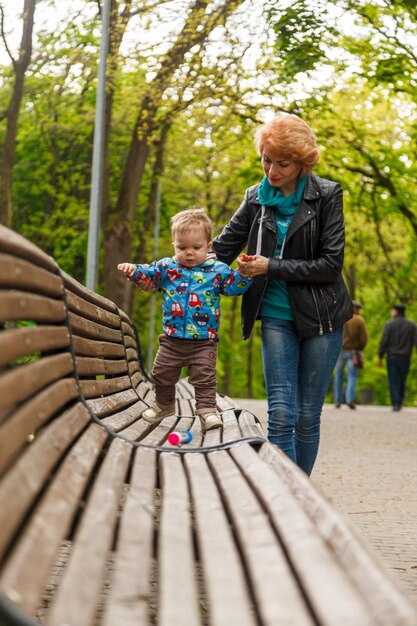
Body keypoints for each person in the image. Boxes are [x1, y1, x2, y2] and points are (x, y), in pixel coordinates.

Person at [212, 113, 353, 476]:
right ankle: (289, 498)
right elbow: (220, 248)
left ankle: (299, 493)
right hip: (275, 315)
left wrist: (269, 266)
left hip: (323, 317)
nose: (272, 171)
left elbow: (329, 265)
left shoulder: (327, 196)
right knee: (281, 412)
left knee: (307, 415)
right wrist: (171, 268)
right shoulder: (255, 199)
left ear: (303, 162)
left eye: (282, 163)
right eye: (266, 160)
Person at [118, 208, 251, 431]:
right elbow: (149, 275)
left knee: (204, 377)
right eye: (182, 248)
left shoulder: (217, 271)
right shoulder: (168, 269)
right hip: (172, 339)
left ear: (208, 246)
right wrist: (133, 271)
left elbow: (233, 287)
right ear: (174, 246)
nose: (189, 253)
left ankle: (207, 410)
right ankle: (164, 404)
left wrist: (244, 273)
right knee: (160, 374)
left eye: (196, 248)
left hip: (203, 341)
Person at [378, 303, 417, 411]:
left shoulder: (389, 325)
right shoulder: (411, 325)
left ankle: (395, 402)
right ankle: (400, 400)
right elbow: (416, 341)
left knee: (394, 379)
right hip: (405, 357)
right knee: (402, 379)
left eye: (392, 310)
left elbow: (384, 341)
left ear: (396, 312)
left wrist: (380, 355)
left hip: (392, 357)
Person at [333, 300, 368, 409]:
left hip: (340, 350)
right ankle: (349, 399)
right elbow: (364, 338)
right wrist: (359, 348)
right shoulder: (359, 320)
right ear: (356, 309)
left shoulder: (340, 317)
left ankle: (337, 401)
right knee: (352, 376)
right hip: (353, 351)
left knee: (338, 375)